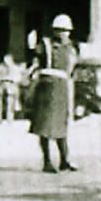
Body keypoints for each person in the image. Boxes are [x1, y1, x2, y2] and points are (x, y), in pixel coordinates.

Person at [29, 14, 79, 173]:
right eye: (60, 30)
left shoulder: (72, 48)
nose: (63, 34)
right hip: (47, 88)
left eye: (66, 31)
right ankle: (47, 161)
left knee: (61, 127)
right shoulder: (46, 45)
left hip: (62, 89)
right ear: (54, 31)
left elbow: (74, 71)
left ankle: (65, 160)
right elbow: (36, 60)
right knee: (45, 126)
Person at [0, 54, 21, 122]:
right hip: (1, 86)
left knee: (10, 103)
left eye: (8, 60)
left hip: (11, 87)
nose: (6, 62)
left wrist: (11, 79)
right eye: (5, 60)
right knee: (0, 103)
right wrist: (1, 79)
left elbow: (18, 78)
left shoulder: (15, 68)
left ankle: (10, 118)